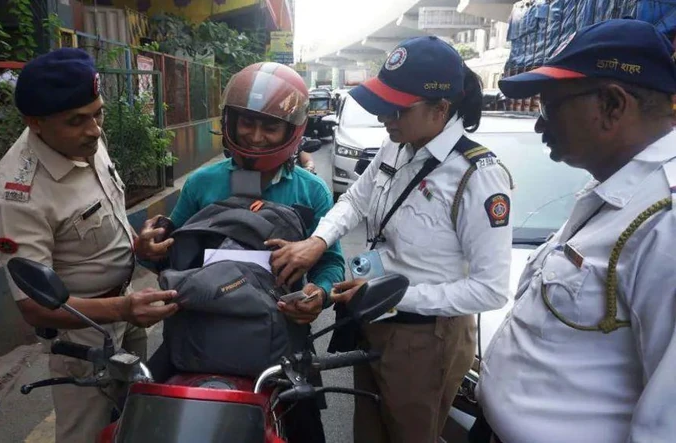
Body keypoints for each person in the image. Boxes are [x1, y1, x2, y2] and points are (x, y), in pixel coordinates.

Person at [268, 36, 514, 443]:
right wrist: (317, 241)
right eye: (383, 104)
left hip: (426, 338)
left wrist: (394, 297)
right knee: (369, 432)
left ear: (441, 109)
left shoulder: (478, 177)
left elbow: (489, 291)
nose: (385, 117)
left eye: (398, 108)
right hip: (376, 319)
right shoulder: (396, 147)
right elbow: (355, 200)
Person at [473, 19, 676, 443]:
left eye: (550, 106)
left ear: (612, 105)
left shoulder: (666, 220)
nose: (538, 125)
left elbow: (666, 423)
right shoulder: (616, 189)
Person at [136, 61, 344, 442]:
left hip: (280, 341)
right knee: (134, 414)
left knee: (307, 433)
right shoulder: (202, 184)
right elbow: (172, 252)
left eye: (270, 126)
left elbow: (330, 260)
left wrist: (319, 294)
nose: (256, 137)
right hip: (198, 334)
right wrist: (147, 248)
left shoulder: (310, 192)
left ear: (292, 130)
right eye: (247, 122)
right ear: (230, 122)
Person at [0, 48, 177, 443]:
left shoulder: (84, 141)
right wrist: (121, 308)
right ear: (34, 123)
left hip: (126, 309)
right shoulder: (18, 193)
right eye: (77, 121)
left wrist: (137, 248)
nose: (94, 129)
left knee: (134, 415)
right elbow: (34, 306)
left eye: (98, 113)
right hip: (83, 333)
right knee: (84, 432)